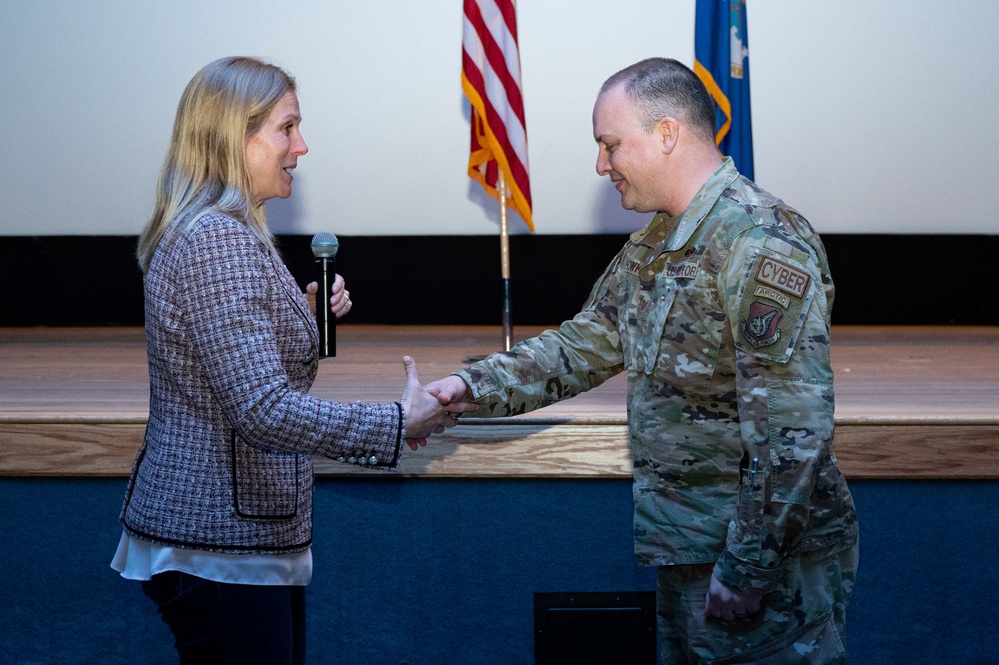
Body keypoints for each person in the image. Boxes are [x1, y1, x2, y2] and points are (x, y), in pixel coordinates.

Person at [427, 57, 859, 664]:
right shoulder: (656, 245)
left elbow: (793, 432)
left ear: (666, 135)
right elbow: (582, 344)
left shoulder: (761, 242)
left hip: (762, 563)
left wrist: (749, 565)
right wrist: (464, 386)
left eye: (609, 145)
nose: (600, 164)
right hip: (689, 549)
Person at [111, 56, 473, 665]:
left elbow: (234, 380)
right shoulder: (219, 241)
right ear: (235, 134)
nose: (301, 146)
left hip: (229, 537)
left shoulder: (217, 230)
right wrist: (396, 422)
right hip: (219, 542)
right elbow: (260, 410)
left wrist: (294, 321)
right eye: (287, 127)